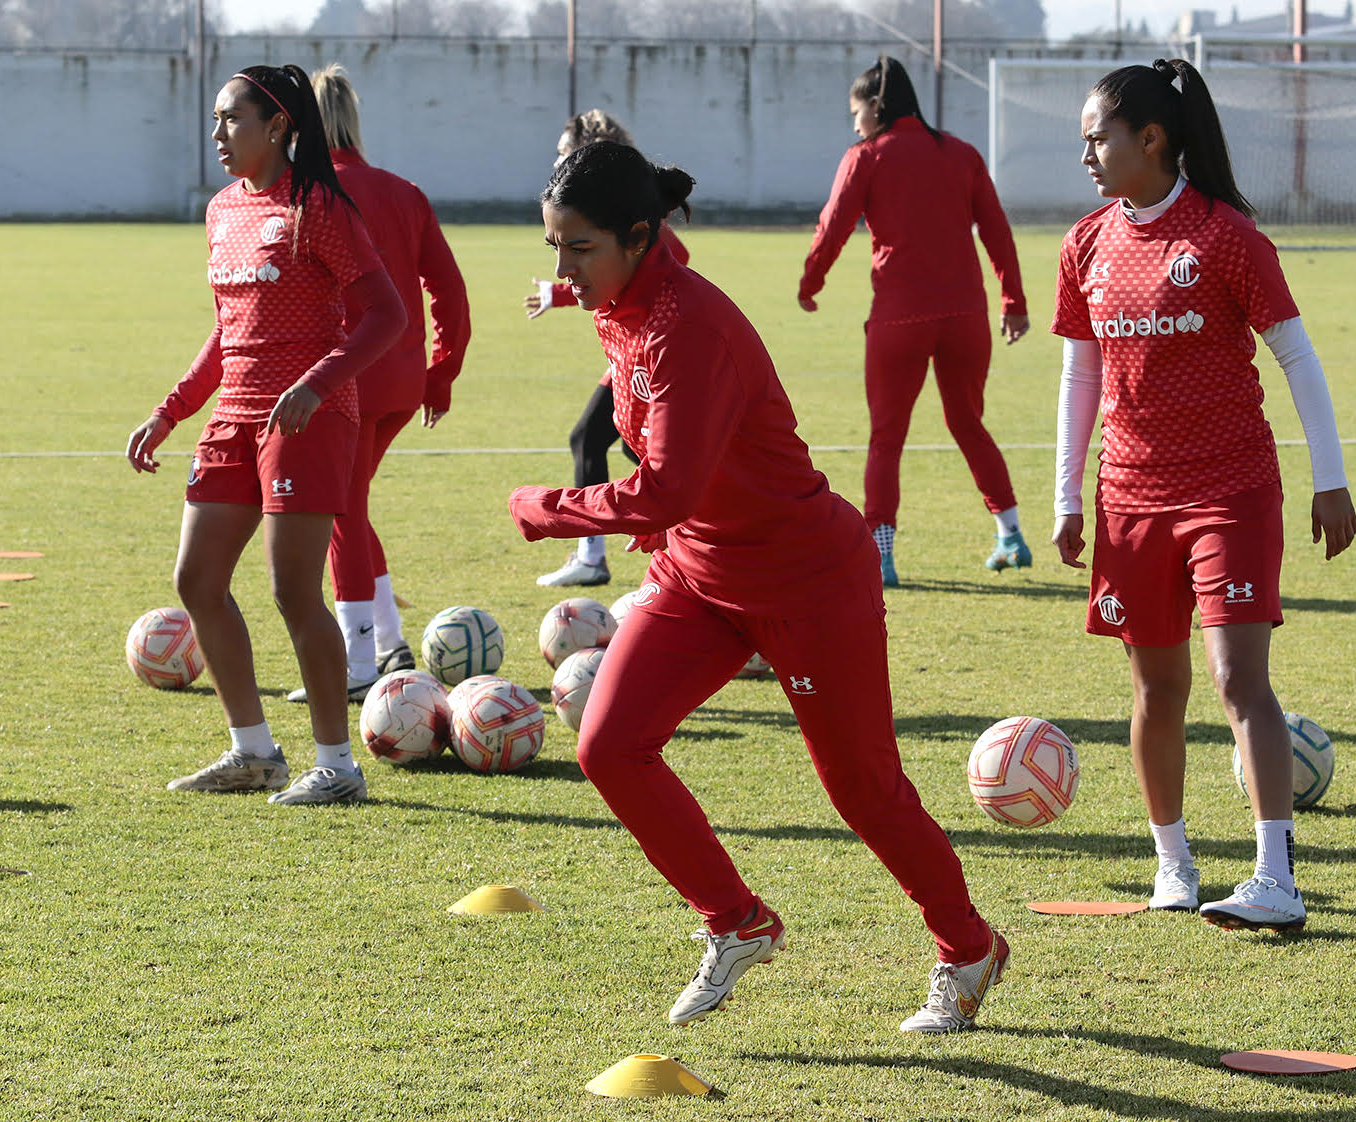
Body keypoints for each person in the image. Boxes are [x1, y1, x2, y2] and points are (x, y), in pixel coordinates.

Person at [507, 141, 1008, 1033]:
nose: (562, 269)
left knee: (864, 793)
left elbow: (665, 484)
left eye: (576, 250)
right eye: (552, 248)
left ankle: (968, 948)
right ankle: (737, 923)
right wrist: (566, 290)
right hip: (699, 573)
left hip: (806, 580)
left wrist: (546, 507)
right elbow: (681, 467)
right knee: (608, 744)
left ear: (635, 235)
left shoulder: (685, 325)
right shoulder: (621, 299)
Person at [1050, 59, 1356, 931]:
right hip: (1129, 498)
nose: (1087, 155)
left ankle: (1274, 879)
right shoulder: (1084, 243)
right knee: (1155, 688)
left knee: (1235, 679)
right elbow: (1080, 375)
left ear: (1150, 138)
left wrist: (1328, 479)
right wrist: (1067, 493)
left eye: (1097, 138)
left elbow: (1295, 356)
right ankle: (1172, 864)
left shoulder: (1226, 237)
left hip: (1229, 490)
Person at [126, 63, 406, 805]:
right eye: (216, 120)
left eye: (231, 119)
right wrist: (170, 410)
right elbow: (226, 330)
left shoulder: (321, 206)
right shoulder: (222, 210)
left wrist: (317, 383)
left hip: (308, 419)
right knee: (196, 580)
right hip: (234, 417)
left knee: (292, 589)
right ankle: (253, 753)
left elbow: (387, 315)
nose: (217, 134)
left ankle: (337, 767)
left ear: (278, 125)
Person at [798, 55, 1030, 589]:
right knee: (969, 423)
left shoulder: (866, 155)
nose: (853, 122)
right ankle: (1011, 533)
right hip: (966, 315)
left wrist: (811, 283)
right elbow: (996, 230)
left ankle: (881, 556)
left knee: (886, 437)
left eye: (856, 111)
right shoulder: (962, 153)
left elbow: (833, 226)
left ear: (875, 107)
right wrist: (1012, 300)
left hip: (900, 318)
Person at [280, 64, 471, 705]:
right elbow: (448, 288)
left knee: (343, 514)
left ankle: (359, 659)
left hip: (346, 379)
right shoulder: (403, 191)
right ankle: (386, 640)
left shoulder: (309, 192)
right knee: (351, 508)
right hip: (402, 379)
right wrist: (440, 374)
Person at [523, 109, 689, 588]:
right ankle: (603, 553)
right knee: (621, 449)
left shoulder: (628, 218)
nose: (555, 164)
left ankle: (600, 555)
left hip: (648, 356)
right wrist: (560, 293)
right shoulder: (600, 219)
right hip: (630, 355)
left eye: (561, 154)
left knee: (650, 463)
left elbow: (672, 260)